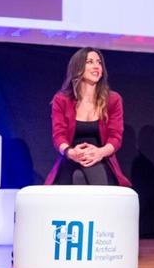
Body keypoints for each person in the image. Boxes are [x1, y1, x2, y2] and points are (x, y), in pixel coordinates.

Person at [46, 47, 131, 187]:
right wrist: (71, 152)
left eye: (99, 62)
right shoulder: (61, 100)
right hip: (71, 157)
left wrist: (100, 152)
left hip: (100, 158)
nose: (96, 66)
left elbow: (115, 137)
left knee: (89, 170)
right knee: (74, 176)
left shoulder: (113, 99)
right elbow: (58, 136)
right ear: (77, 68)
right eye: (90, 62)